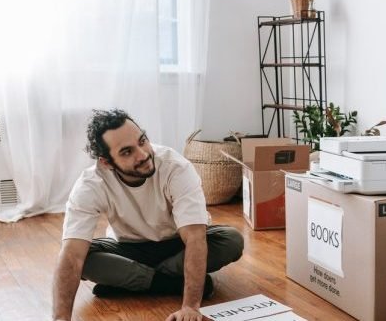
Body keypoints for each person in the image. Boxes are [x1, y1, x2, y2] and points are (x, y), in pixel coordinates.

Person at [52, 109, 244, 321]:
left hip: (178, 244)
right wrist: (61, 319)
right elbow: (72, 255)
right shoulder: (90, 184)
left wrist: (190, 306)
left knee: (231, 240)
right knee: (80, 259)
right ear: (106, 162)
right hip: (129, 248)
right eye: (127, 152)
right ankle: (169, 283)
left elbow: (195, 238)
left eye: (142, 141)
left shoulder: (175, 167)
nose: (143, 154)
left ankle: (132, 283)